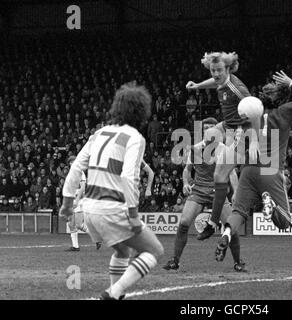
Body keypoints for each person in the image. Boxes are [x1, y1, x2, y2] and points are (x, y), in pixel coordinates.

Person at [59, 83, 164, 300]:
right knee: (154, 251)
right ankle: (113, 293)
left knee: (122, 251)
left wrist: (67, 203)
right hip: (112, 208)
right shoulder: (135, 137)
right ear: (141, 111)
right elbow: (128, 176)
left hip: (89, 210)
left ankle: (116, 295)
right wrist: (133, 215)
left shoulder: (99, 133)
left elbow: (76, 166)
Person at [214, 71, 292, 262]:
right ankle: (270, 205)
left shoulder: (245, 120)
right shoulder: (283, 113)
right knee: (285, 222)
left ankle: (225, 237)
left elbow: (237, 147)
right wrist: (291, 82)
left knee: (238, 212)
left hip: (248, 170)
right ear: (283, 98)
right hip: (270, 171)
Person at [186, 52, 258, 241]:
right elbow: (214, 82)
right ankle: (205, 144)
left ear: (228, 69)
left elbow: (255, 112)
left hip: (240, 131)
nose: (216, 74)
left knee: (219, 175)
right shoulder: (221, 81)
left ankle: (212, 223)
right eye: (213, 70)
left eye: (219, 70)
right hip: (227, 125)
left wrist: (255, 141)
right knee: (209, 134)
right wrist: (198, 86)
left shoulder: (238, 89)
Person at [163, 117, 245, 272]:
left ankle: (238, 262)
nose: (209, 130)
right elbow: (187, 169)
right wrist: (186, 183)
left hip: (217, 191)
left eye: (212, 127)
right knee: (184, 222)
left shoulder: (224, 149)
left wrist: (236, 191)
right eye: (206, 128)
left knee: (231, 228)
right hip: (199, 190)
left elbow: (232, 173)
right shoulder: (194, 149)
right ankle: (175, 260)